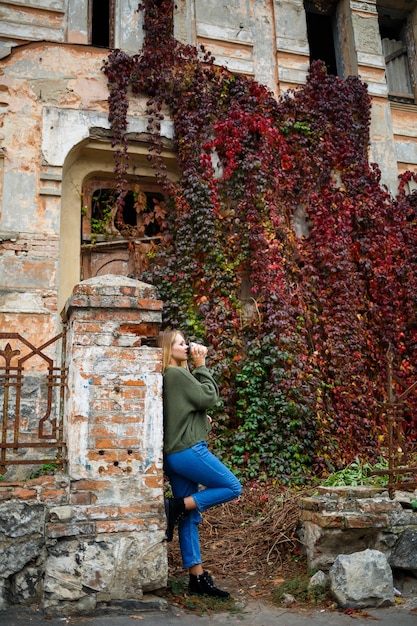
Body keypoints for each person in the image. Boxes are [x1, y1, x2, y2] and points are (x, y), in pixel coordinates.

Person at [157, 329, 242, 599]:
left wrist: (200, 420)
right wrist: (201, 364)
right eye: (180, 343)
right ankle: (175, 506)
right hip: (189, 452)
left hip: (175, 455)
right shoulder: (177, 373)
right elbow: (209, 398)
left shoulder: (171, 377)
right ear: (169, 351)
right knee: (232, 486)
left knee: (189, 519)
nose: (187, 345)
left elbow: (186, 410)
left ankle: (197, 578)